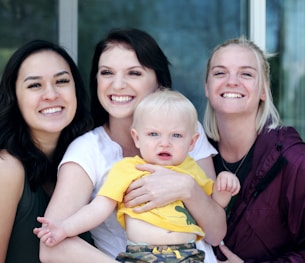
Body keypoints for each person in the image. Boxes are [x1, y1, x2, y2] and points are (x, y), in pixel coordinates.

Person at [34, 28, 225, 263]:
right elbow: (52, 248)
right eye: (107, 73)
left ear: (159, 82)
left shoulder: (184, 131)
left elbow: (216, 234)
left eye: (133, 73)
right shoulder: (87, 151)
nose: (118, 84)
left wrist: (188, 188)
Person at [36, 90, 239, 262]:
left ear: (192, 142)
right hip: (142, 255)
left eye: (176, 135)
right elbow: (99, 208)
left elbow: (214, 206)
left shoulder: (191, 169)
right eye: (153, 134)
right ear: (137, 138)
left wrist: (225, 186)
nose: (164, 143)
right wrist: (65, 228)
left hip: (189, 254)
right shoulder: (128, 169)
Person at [203, 36, 305, 262]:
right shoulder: (194, 156)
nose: (232, 81)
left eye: (246, 74)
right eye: (220, 73)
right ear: (207, 88)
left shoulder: (294, 161)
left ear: (263, 90)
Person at [0, 40, 93, 263]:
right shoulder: (7, 167)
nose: (51, 95)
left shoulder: (82, 161)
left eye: (61, 81)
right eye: (35, 85)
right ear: (15, 97)